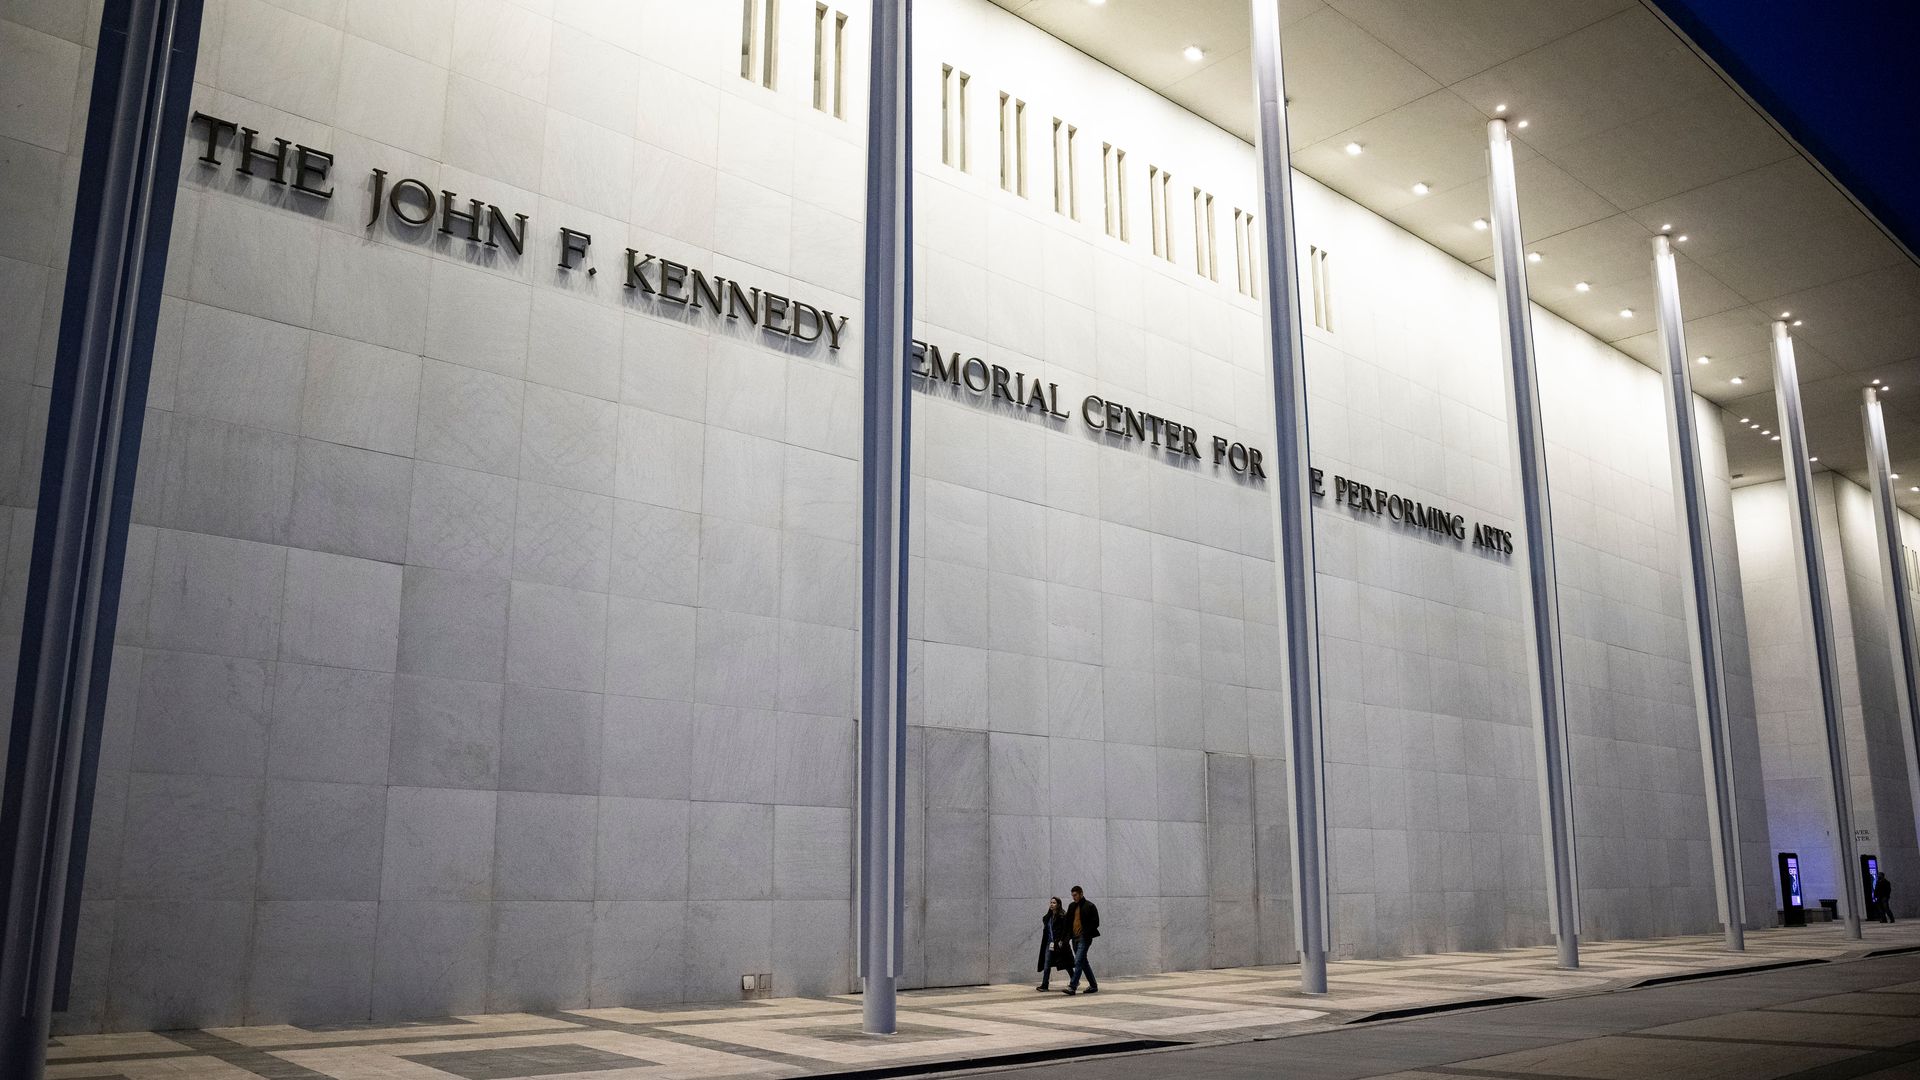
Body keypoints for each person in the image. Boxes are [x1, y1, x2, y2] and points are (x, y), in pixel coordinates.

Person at [1061, 885, 1100, 995]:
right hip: (1074, 938)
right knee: (1083, 962)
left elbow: (1096, 922)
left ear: (1081, 894)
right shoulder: (1072, 906)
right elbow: (1067, 923)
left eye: (1075, 895)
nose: (1074, 897)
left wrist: (1086, 932)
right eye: (1072, 895)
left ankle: (1072, 986)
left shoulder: (1090, 906)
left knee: (1077, 961)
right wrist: (1064, 938)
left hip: (1085, 938)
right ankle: (1093, 986)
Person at [1036, 897, 1070, 990]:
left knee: (1065, 962)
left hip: (1059, 943)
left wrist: (1062, 941)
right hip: (1049, 944)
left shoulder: (1063, 916)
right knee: (1047, 964)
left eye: (1054, 903)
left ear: (1058, 904)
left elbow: (1066, 930)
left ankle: (1074, 979)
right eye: (1051, 902)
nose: (1051, 904)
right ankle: (1045, 985)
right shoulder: (1047, 917)